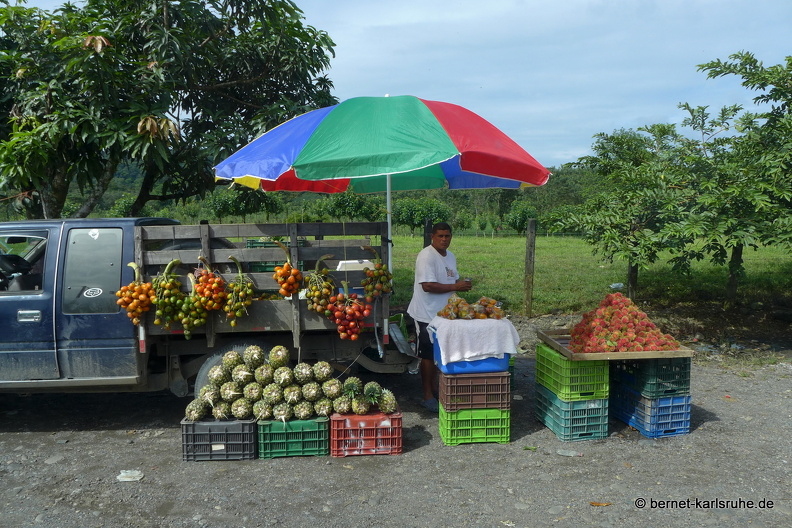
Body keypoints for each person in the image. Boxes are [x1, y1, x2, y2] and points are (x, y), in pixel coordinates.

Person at [407, 222, 472, 411]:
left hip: (444, 314)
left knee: (440, 352)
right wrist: (455, 286)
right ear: (432, 237)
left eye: (447, 236)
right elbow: (427, 286)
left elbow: (452, 279)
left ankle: (436, 389)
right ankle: (427, 395)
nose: (444, 239)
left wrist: (460, 288)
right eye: (440, 236)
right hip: (425, 314)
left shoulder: (450, 256)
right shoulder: (426, 256)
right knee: (427, 355)